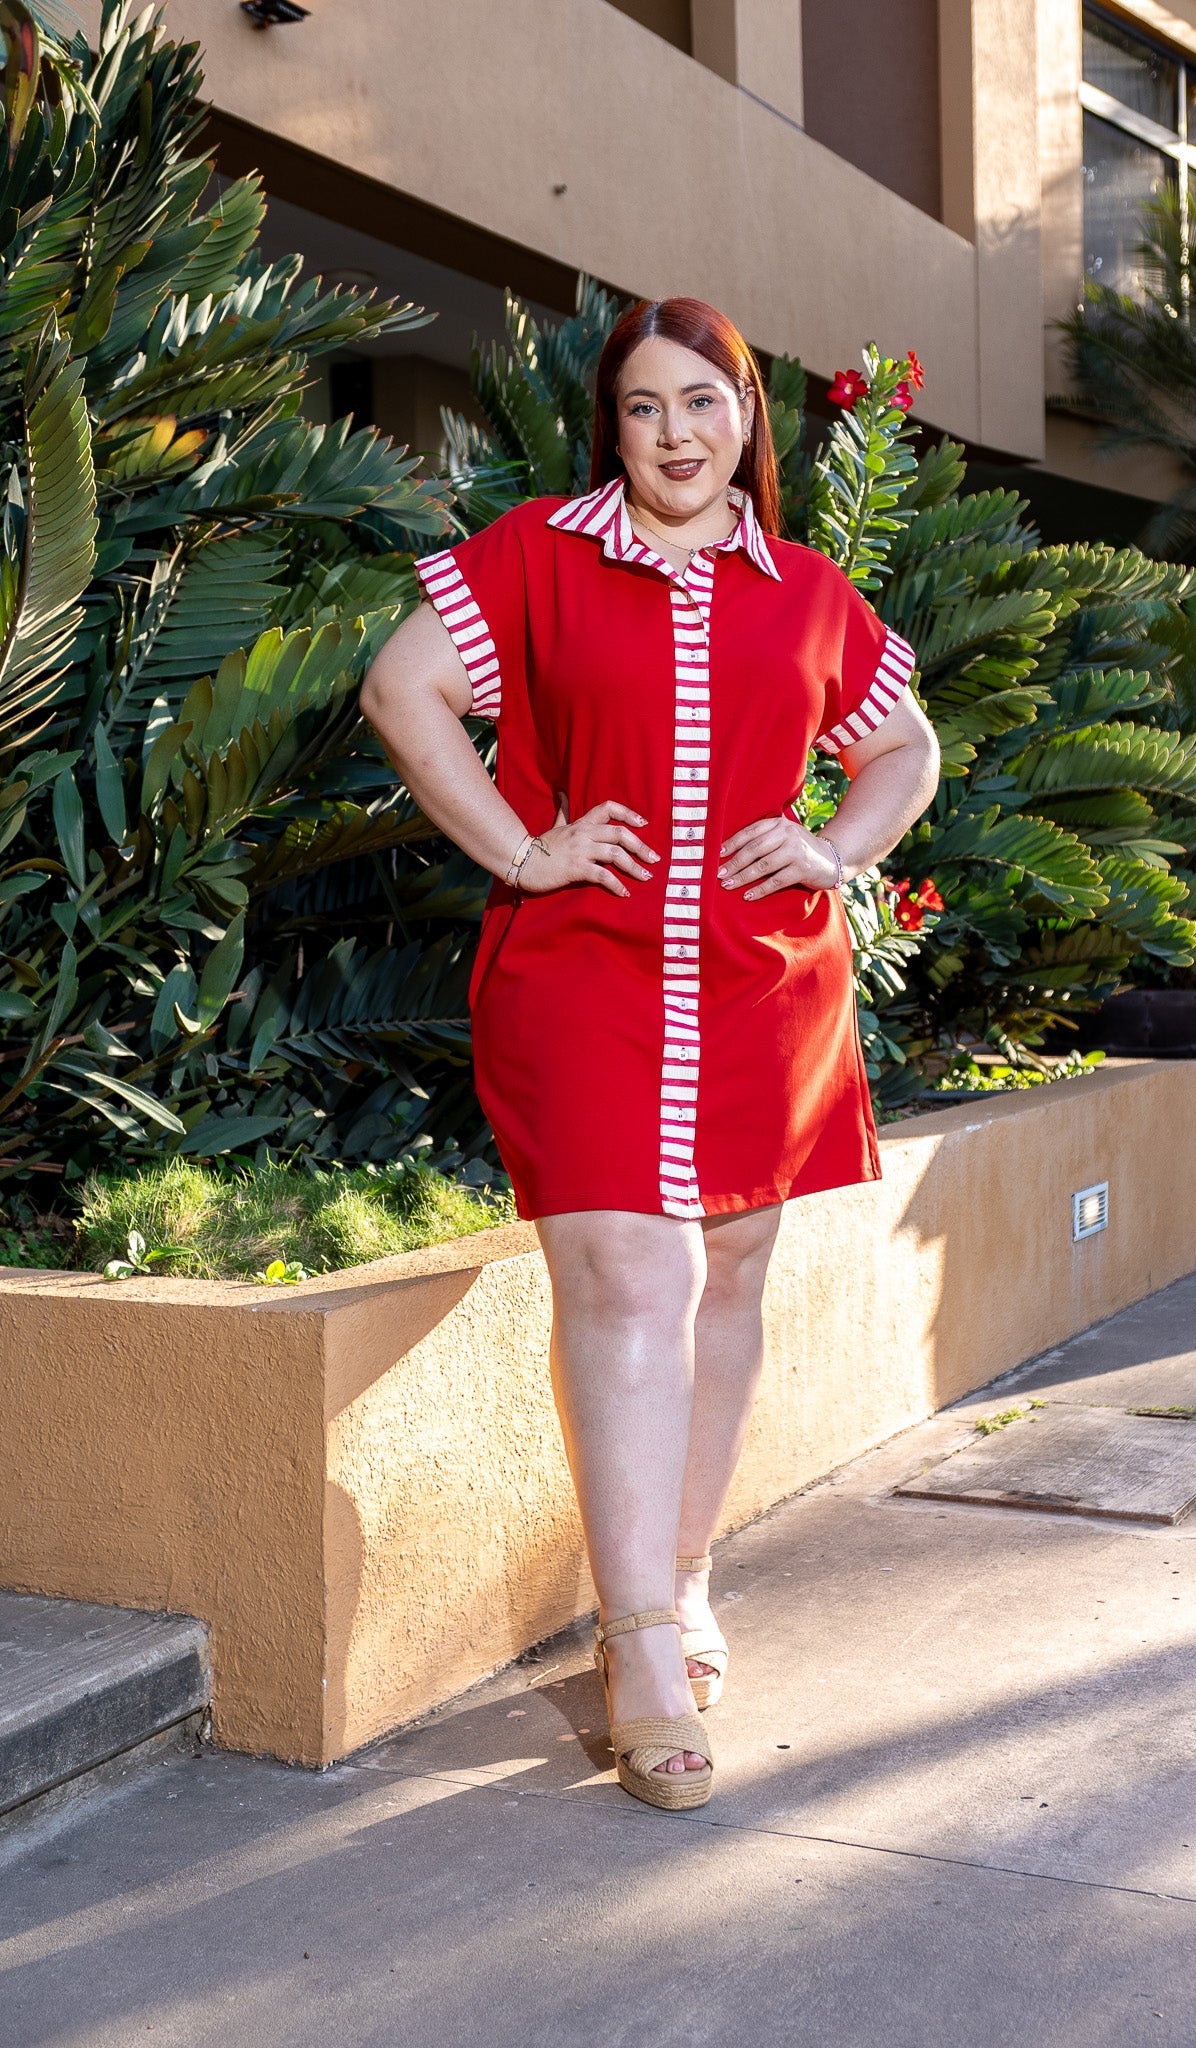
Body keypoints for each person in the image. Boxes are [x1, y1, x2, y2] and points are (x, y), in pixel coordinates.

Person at [360, 296, 940, 1811]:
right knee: (631, 1272)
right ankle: (636, 1649)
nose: (675, 434)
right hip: (584, 974)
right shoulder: (535, 557)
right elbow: (402, 691)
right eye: (642, 406)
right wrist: (520, 848)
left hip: (763, 984)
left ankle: (681, 1579)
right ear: (608, 427)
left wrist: (837, 848)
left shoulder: (808, 592)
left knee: (729, 1273)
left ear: (747, 419)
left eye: (702, 402)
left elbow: (906, 747)